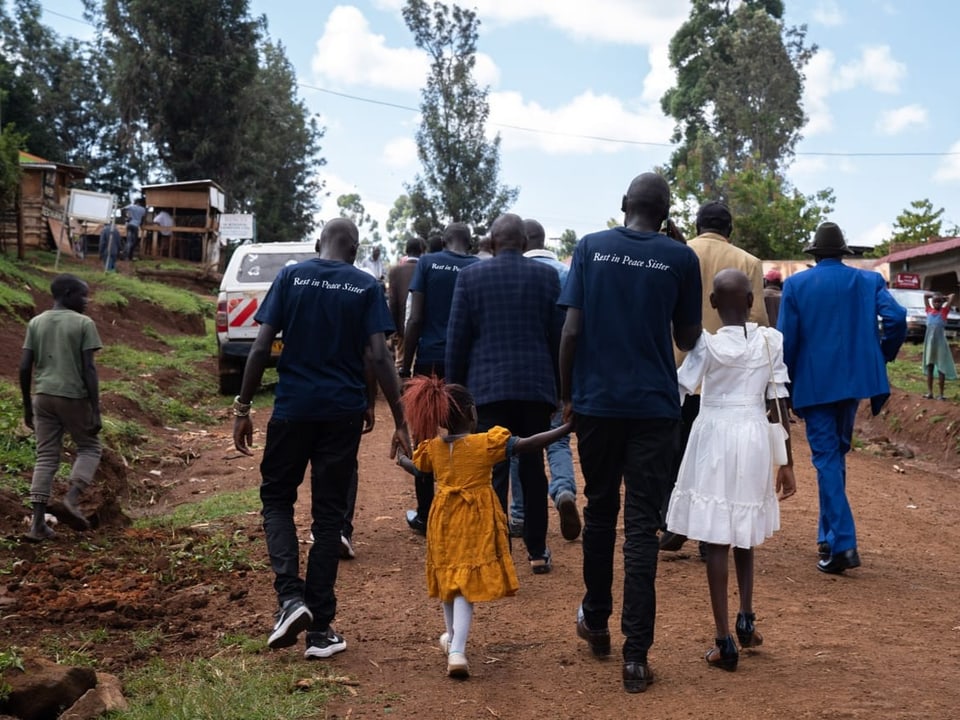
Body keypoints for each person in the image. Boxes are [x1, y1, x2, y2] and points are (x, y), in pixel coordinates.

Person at [232, 217, 410, 658]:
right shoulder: (365, 286)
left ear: (319, 244)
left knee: (277, 499)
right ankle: (320, 629)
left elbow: (260, 347)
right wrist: (400, 419)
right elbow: (379, 357)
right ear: (354, 249)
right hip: (341, 414)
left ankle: (290, 600)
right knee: (329, 518)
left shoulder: (291, 276)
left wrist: (242, 407)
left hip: (293, 409)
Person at [559, 172, 701, 693]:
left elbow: (571, 329)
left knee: (600, 510)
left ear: (624, 204)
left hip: (597, 403)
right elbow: (687, 336)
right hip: (654, 407)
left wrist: (566, 395)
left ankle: (595, 619)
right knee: (642, 527)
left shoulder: (592, 248)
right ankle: (636, 655)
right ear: (666, 213)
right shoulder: (679, 258)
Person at [396, 376, 571, 678]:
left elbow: (417, 467)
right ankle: (457, 650)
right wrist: (567, 428)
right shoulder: (484, 444)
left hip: (443, 520)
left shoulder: (433, 449)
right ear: (470, 412)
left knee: (449, 581)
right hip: (475, 521)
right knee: (466, 587)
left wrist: (400, 458)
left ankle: (452, 638)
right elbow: (528, 444)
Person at [665, 269, 796, 672]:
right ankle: (746, 618)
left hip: (714, 436)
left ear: (713, 304)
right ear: (752, 302)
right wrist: (787, 462)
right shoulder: (769, 342)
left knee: (718, 539)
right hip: (755, 435)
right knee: (743, 531)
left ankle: (724, 639)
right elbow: (778, 402)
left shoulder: (706, 345)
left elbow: (680, 388)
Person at [778, 222, 906, 574]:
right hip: (853, 383)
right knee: (835, 455)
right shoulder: (867, 281)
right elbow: (897, 317)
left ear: (815, 253)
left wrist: (783, 387)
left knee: (826, 458)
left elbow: (786, 342)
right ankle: (830, 535)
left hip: (815, 385)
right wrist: (881, 353)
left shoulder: (796, 284)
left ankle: (844, 545)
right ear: (843, 252)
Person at [446, 213, 564, 575]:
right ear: (525, 244)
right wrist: (562, 388)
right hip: (536, 387)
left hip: (487, 388)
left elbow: (458, 339)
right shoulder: (547, 277)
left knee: (492, 469)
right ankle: (538, 550)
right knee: (532, 467)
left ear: (492, 243)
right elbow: (559, 337)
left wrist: (453, 394)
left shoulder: (470, 276)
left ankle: (496, 552)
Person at [659, 201, 768, 553]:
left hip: (679, 369)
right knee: (718, 459)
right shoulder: (748, 262)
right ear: (730, 230)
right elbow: (760, 324)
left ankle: (672, 521)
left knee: (676, 452)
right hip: (727, 378)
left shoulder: (679, 254)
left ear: (697, 225)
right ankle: (712, 538)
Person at [401, 223, 480, 533]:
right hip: (465, 362)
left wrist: (405, 366)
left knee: (424, 436)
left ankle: (426, 514)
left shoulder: (428, 262)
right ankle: (467, 511)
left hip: (430, 360)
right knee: (466, 437)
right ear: (470, 243)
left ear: (444, 241)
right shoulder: (477, 267)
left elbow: (416, 317)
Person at [507, 217, 579, 542]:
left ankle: (520, 515)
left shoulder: (512, 274)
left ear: (522, 241)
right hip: (557, 373)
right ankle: (564, 492)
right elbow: (572, 330)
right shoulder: (566, 274)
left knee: (518, 444)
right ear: (545, 240)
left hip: (518, 376)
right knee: (558, 438)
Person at [19, 274, 102, 542]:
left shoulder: (36, 322)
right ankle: (72, 498)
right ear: (67, 294)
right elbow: (89, 369)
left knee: (45, 457)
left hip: (42, 396)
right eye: (82, 295)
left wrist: (26, 406)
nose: (86, 301)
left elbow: (23, 367)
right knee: (90, 447)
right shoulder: (83, 324)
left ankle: (37, 525)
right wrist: (96, 408)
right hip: (73, 396)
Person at [388, 237, 425, 369]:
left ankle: (402, 389)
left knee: (401, 364)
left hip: (403, 329)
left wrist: (394, 330)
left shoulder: (395, 271)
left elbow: (393, 303)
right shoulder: (426, 268)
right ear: (422, 250)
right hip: (425, 329)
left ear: (406, 250)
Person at [922, 292, 957, 400]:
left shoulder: (944, 311)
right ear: (932, 303)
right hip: (929, 343)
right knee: (930, 367)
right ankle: (930, 392)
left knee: (941, 368)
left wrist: (943, 297)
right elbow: (925, 296)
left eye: (939, 302)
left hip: (940, 343)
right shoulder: (929, 310)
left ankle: (941, 394)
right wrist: (934, 295)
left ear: (942, 303)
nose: (936, 303)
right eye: (935, 301)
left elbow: (952, 295)